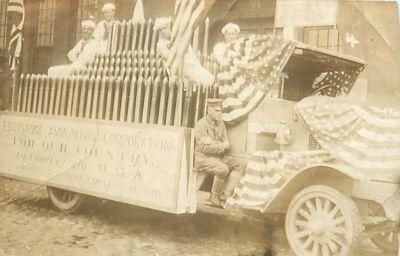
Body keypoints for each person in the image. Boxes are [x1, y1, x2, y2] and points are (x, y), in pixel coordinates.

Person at [194, 99, 243, 207]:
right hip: (203, 158)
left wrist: (214, 143)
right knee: (223, 169)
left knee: (238, 165)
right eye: (217, 111)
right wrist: (221, 145)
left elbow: (227, 144)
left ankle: (224, 195)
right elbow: (205, 149)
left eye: (220, 111)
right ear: (209, 110)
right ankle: (214, 196)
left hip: (216, 157)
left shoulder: (221, 123)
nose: (220, 113)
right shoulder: (201, 125)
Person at [154, 17, 214, 87]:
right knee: (205, 80)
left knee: (208, 77)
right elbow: (170, 57)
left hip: (190, 64)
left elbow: (191, 55)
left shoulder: (178, 38)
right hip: (180, 67)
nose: (167, 31)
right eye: (162, 30)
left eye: (167, 28)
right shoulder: (161, 45)